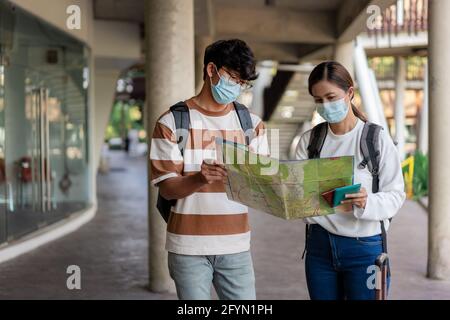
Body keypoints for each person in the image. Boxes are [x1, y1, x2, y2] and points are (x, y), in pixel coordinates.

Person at [149, 39, 268, 300]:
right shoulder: (171, 122)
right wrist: (199, 178)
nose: (237, 87)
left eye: (243, 82)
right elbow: (167, 189)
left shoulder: (253, 125)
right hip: (187, 247)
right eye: (233, 78)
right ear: (211, 70)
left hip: (237, 246)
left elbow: (262, 187)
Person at [295, 61, 405, 300]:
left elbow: (396, 195)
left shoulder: (375, 139)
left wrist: (367, 202)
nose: (325, 105)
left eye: (331, 96)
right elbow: (299, 199)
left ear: (350, 93)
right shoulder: (310, 142)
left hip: (365, 248)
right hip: (319, 248)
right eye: (318, 100)